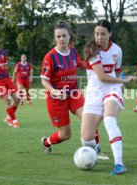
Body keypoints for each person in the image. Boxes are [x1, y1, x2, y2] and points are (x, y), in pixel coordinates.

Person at [40, 20, 108, 159]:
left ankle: (96, 150)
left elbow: (83, 65)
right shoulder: (50, 57)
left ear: (69, 36)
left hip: (74, 94)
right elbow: (44, 80)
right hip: (56, 99)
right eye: (58, 37)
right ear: (55, 38)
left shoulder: (73, 52)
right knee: (65, 135)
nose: (61, 39)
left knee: (90, 119)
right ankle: (46, 142)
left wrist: (100, 65)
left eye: (64, 36)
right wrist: (54, 91)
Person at [80, 19, 135, 175]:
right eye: (97, 33)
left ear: (110, 33)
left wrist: (120, 86)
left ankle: (119, 164)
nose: (99, 37)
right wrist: (123, 80)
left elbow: (116, 72)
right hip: (94, 92)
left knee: (110, 120)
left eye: (103, 34)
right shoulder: (91, 50)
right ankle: (95, 149)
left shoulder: (117, 50)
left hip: (112, 89)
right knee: (86, 138)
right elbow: (102, 77)